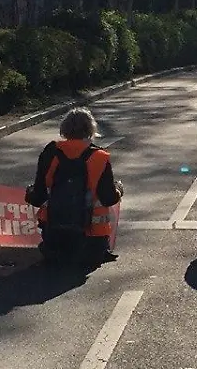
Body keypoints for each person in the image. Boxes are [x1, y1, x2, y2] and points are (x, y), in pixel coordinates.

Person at [25, 108, 123, 264]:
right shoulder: (100, 157)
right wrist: (118, 190)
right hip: (92, 244)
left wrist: (29, 192)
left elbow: (38, 196)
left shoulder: (50, 152)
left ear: (64, 129)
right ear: (91, 129)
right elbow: (109, 198)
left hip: (54, 239)